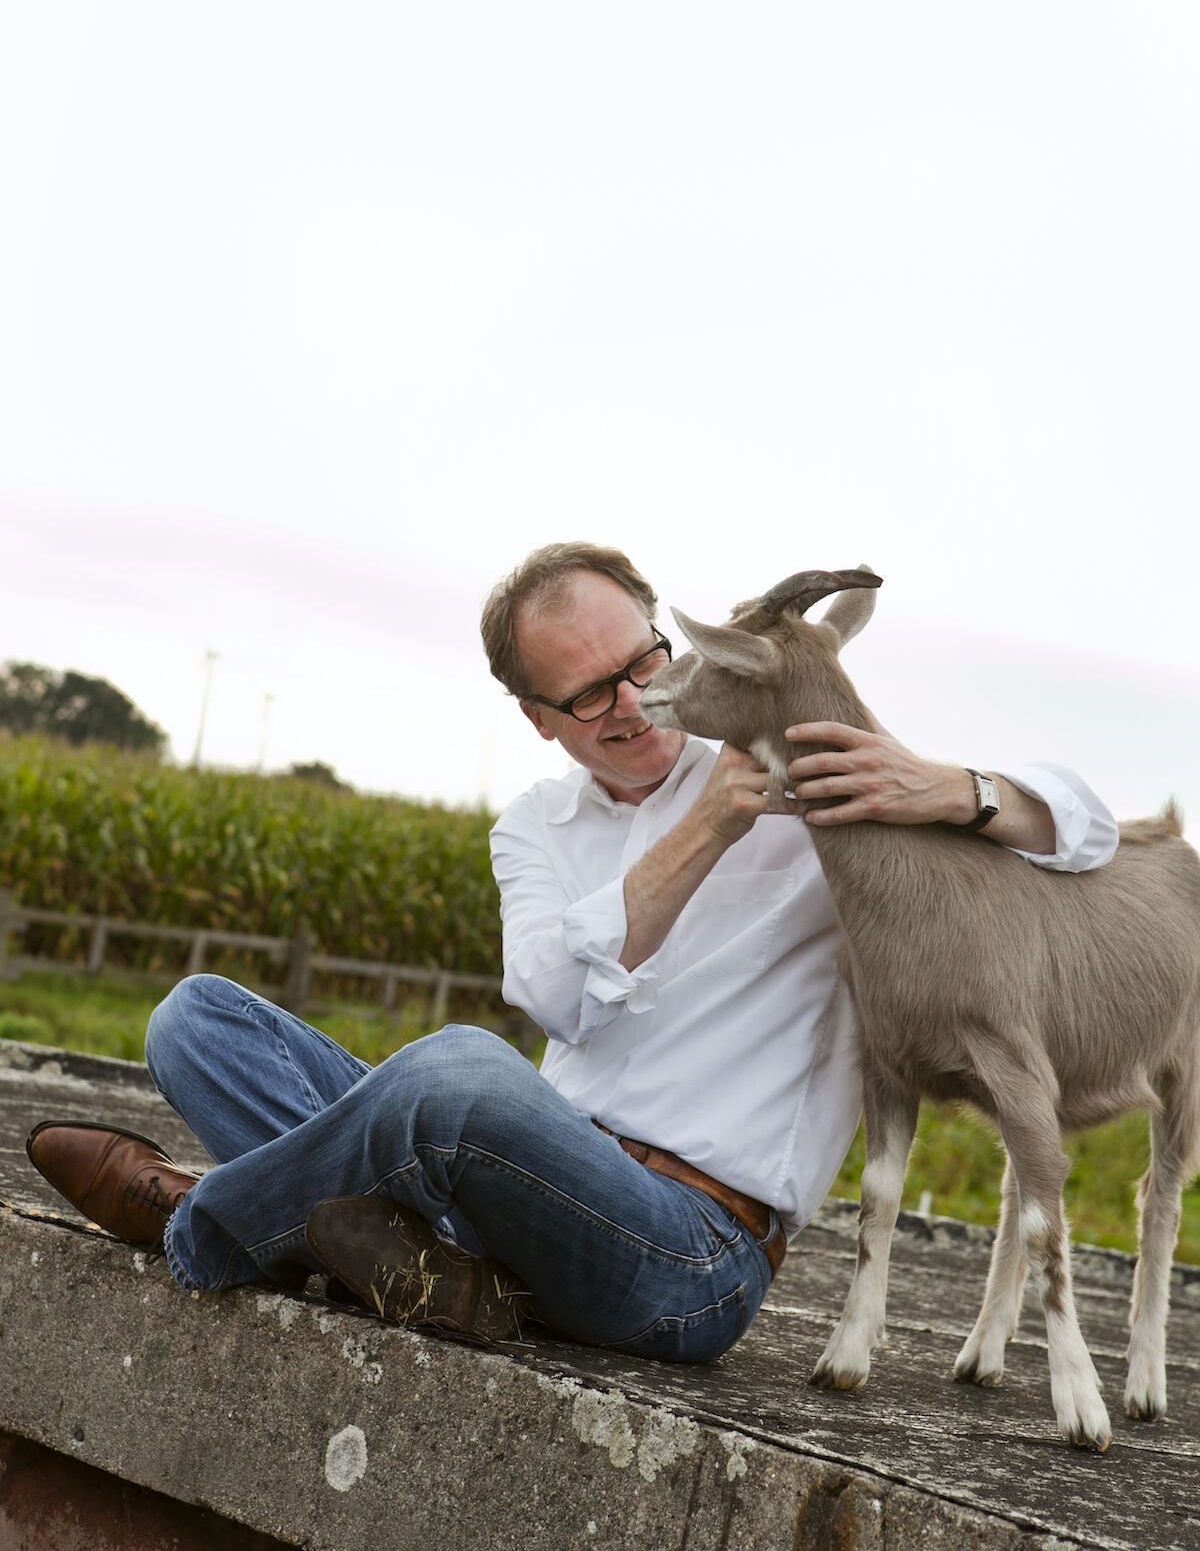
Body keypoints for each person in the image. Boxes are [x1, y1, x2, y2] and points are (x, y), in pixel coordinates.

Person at [27, 542, 1119, 1363]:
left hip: (686, 1251)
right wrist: (705, 831)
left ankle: (207, 1217)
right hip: (514, 1182)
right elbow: (553, 998)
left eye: (644, 659)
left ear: (663, 631)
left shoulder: (820, 786)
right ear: (536, 715)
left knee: (458, 1074)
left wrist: (958, 790)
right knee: (197, 1022)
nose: (635, 702)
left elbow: (1091, 832)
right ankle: (443, 1276)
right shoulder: (535, 828)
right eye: (590, 694)